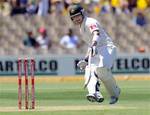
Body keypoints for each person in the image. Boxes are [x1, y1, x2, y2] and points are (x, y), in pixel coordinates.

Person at [69, 4, 120, 104]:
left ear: (83, 13)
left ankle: (98, 92)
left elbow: (96, 33)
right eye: (73, 18)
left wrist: (94, 44)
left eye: (77, 16)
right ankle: (98, 93)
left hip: (107, 48)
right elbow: (90, 46)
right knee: (91, 69)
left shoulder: (90, 22)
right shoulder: (81, 29)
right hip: (97, 49)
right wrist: (86, 60)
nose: (76, 19)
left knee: (99, 69)